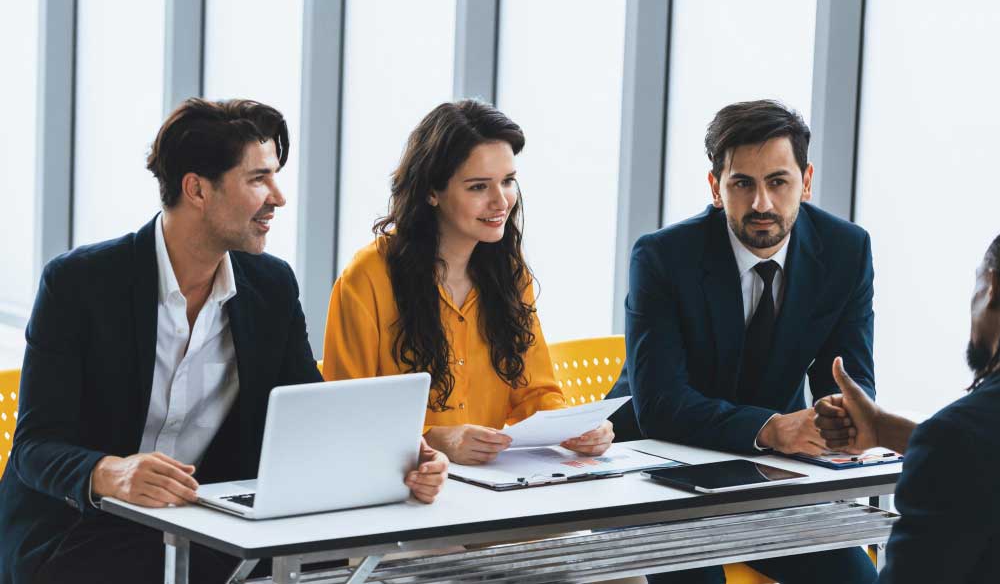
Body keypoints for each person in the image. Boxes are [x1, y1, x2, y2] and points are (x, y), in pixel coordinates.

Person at [0, 99, 447, 584]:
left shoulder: (270, 287)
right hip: (80, 528)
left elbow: (310, 414)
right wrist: (112, 472)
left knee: (336, 564)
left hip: (206, 525)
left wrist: (401, 456)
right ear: (197, 189)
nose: (278, 197)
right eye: (258, 179)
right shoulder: (80, 284)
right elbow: (35, 445)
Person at [618, 100, 878, 584]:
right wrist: (772, 428)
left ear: (807, 180)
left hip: (766, 477)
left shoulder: (845, 250)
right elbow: (660, 404)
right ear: (717, 187)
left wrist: (843, 420)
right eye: (743, 184)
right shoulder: (662, 257)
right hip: (658, 471)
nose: (763, 204)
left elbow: (848, 377)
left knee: (858, 581)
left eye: (778, 182)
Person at [322, 100, 613, 465]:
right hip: (398, 487)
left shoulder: (510, 273)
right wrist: (430, 438)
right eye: (478, 187)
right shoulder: (367, 278)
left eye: (508, 181)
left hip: (489, 486)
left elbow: (535, 394)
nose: (501, 201)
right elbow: (344, 417)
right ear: (431, 191)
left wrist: (574, 428)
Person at [815, 235, 1000, 583]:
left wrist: (936, 443)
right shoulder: (962, 438)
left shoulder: (958, 435)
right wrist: (882, 429)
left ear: (991, 287)